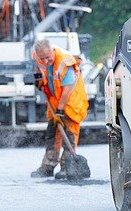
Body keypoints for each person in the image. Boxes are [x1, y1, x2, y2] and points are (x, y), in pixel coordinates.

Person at [30, 39, 89, 179]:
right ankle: (48, 166)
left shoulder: (64, 62)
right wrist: (38, 79)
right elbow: (38, 68)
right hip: (54, 100)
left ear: (52, 51)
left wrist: (60, 111)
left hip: (70, 102)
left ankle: (67, 167)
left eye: (47, 57)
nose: (45, 61)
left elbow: (67, 90)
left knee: (69, 134)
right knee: (52, 133)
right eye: (42, 58)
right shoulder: (39, 57)